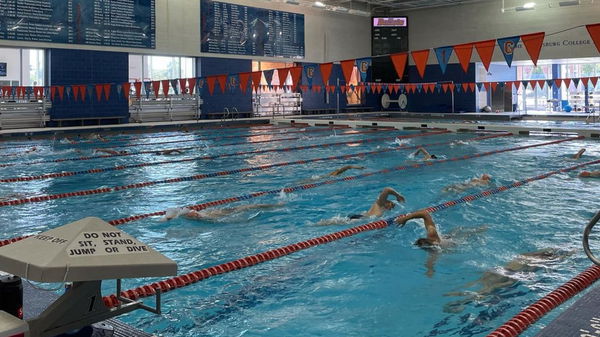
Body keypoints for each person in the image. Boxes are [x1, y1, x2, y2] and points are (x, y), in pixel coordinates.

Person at [443, 248, 574, 313]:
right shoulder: (536, 262)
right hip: (508, 274)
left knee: (476, 283)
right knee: (488, 290)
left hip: (497, 269)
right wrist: (507, 284)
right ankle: (460, 303)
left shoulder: (527, 255)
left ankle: (453, 295)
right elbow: (524, 275)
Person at [317, 187, 405, 225]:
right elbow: (387, 189)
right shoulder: (380, 203)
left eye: (392, 206)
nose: (392, 207)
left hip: (361, 218)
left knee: (335, 222)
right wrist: (398, 195)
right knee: (333, 223)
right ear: (387, 202)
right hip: (359, 218)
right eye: (392, 204)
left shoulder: (383, 209)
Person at [162, 203, 285, 222]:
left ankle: (275, 205)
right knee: (248, 207)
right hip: (220, 212)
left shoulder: (188, 216)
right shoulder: (186, 214)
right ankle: (275, 205)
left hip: (220, 213)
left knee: (248, 207)